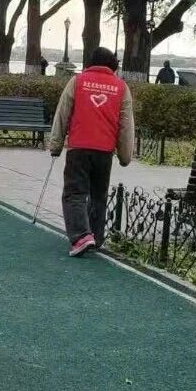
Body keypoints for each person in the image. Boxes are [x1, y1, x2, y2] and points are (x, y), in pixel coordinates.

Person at [47, 46, 134, 257]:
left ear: (90, 62)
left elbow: (62, 114)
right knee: (98, 196)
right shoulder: (121, 88)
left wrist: (55, 145)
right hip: (104, 151)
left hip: (79, 148)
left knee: (74, 194)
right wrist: (125, 155)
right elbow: (126, 125)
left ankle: (80, 237)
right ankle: (95, 236)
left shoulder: (77, 82)